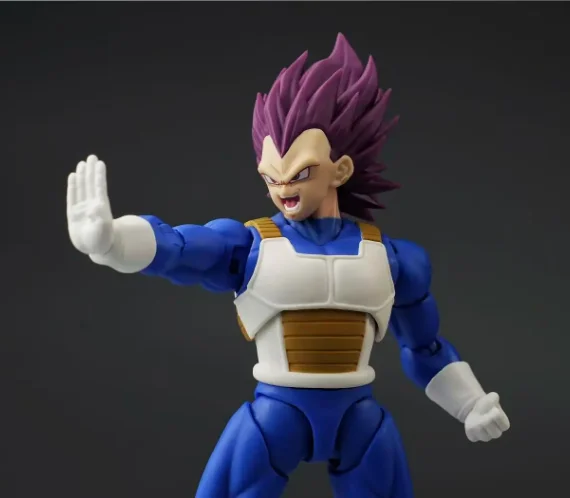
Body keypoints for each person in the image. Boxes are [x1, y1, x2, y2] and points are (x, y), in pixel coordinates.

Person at [66, 33, 510, 498]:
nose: (283, 189)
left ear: (341, 169)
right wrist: (113, 242)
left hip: (358, 419)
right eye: (270, 177)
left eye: (300, 173)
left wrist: (471, 404)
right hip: (276, 415)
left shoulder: (393, 257)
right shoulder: (250, 244)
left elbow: (424, 347)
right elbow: (177, 247)